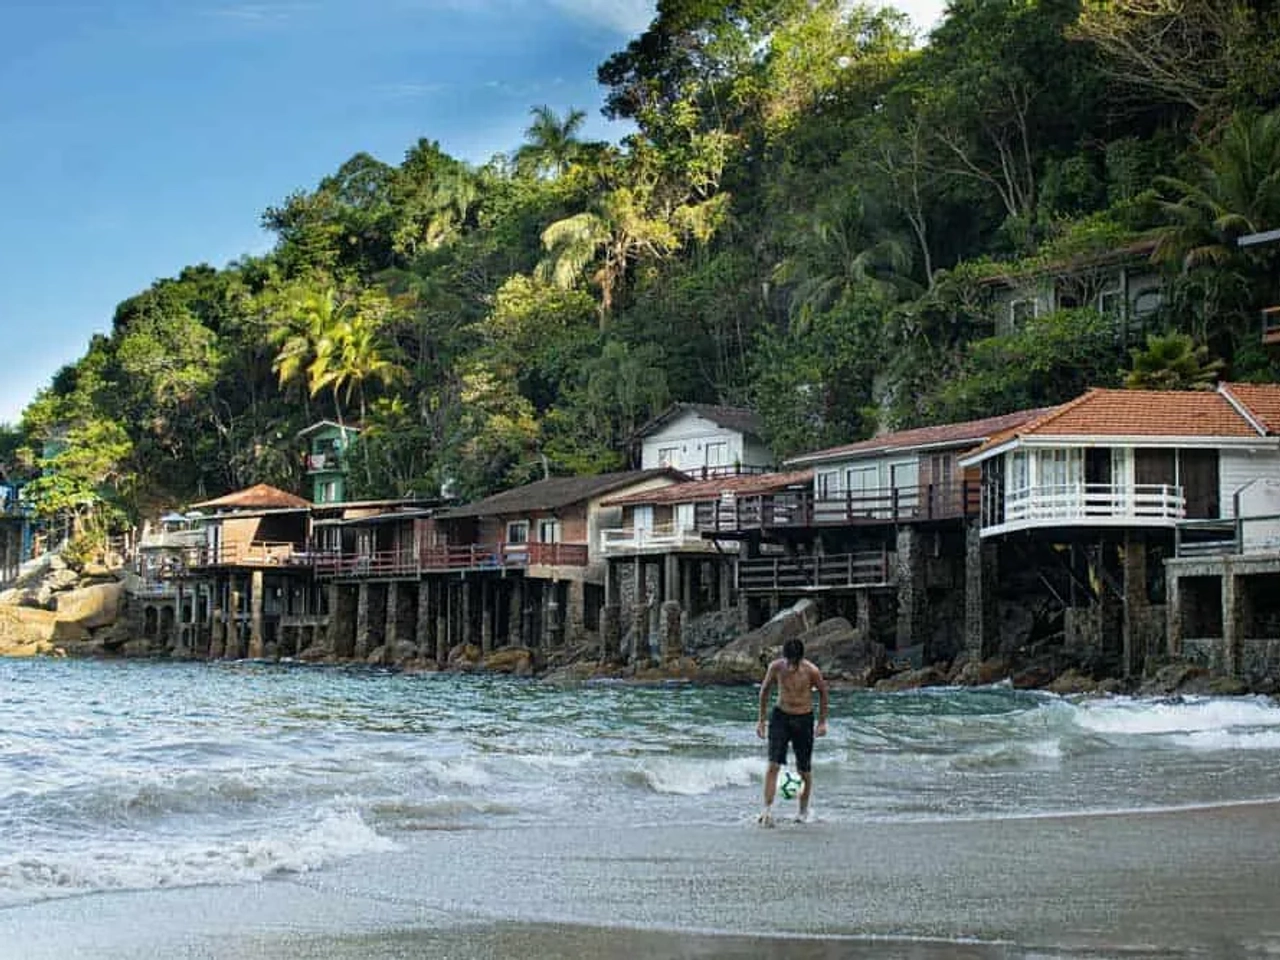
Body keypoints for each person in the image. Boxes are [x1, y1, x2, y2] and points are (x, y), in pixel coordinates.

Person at [756, 638, 828, 826]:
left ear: (800, 659)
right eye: (787, 661)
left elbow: (823, 692)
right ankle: (767, 810)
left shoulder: (811, 670)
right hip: (780, 717)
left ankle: (803, 811)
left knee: (803, 769)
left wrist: (821, 722)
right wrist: (761, 721)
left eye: (793, 663)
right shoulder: (776, 667)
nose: (790, 666)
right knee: (773, 765)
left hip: (804, 719)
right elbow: (764, 691)